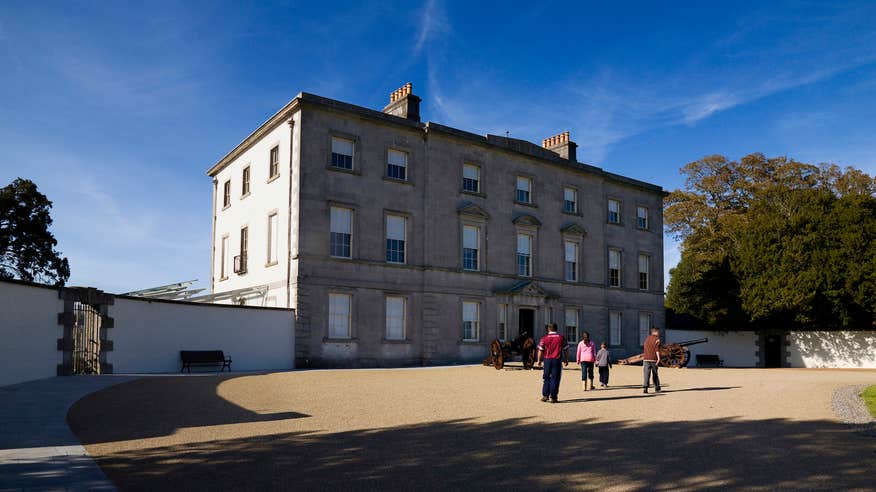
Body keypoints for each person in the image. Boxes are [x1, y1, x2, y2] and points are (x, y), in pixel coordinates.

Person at [536, 323, 569, 403]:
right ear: (556, 329)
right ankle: (553, 397)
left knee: (546, 377)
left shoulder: (544, 338)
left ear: (548, 329)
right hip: (557, 359)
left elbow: (540, 350)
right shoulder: (561, 338)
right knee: (555, 378)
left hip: (547, 359)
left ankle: (545, 395)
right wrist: (566, 359)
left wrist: (539, 360)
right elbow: (566, 349)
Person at [642, 326, 661, 393]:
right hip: (653, 359)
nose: (659, 333)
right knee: (655, 374)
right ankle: (657, 388)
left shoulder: (647, 338)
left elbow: (645, 347)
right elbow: (657, 349)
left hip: (646, 359)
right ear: (655, 332)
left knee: (646, 374)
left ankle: (645, 387)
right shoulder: (657, 339)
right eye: (658, 331)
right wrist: (658, 358)